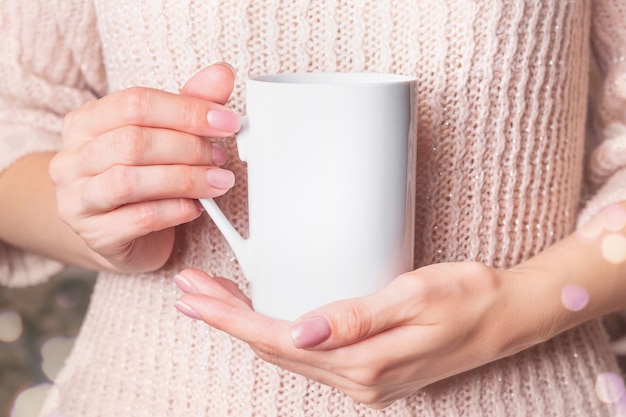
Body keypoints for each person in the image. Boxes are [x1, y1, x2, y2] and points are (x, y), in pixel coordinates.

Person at [1, 0, 625, 415]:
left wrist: (523, 303)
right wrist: (99, 217)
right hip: (140, 394)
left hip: (536, 394)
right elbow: (13, 124)